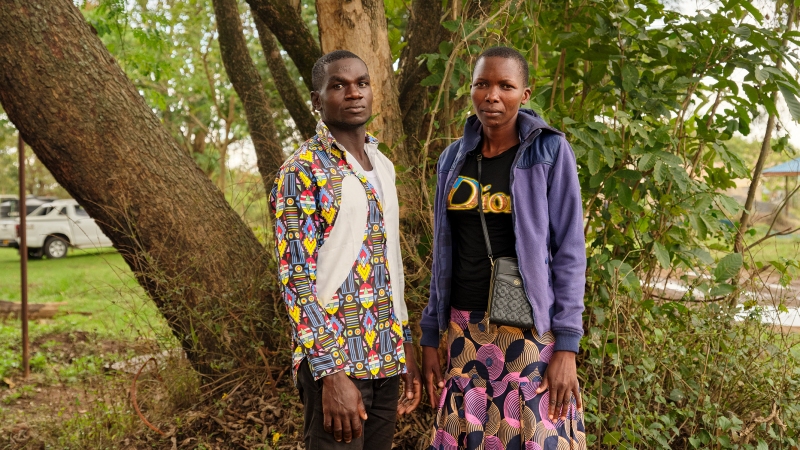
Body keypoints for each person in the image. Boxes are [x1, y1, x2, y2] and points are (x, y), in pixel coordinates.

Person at [420, 46, 587, 449]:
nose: (492, 95)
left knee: (533, 434)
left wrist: (567, 344)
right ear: (472, 89)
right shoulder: (452, 160)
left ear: (524, 94)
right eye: (482, 84)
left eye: (505, 86)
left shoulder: (549, 151)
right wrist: (431, 332)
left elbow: (570, 249)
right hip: (464, 327)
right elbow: (442, 253)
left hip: (528, 329)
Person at [270, 50, 422, 449]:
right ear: (317, 101)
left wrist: (404, 344)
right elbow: (295, 280)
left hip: (385, 356)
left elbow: (390, 265)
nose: (353, 93)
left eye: (361, 83)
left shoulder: (382, 165)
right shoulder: (301, 170)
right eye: (338, 85)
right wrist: (330, 372)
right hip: (335, 361)